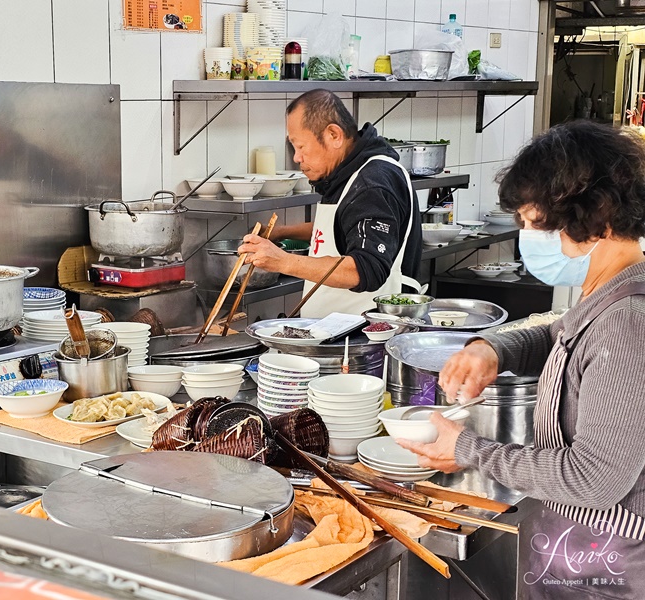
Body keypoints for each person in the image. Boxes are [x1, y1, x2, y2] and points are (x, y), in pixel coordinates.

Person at [397, 120, 645, 599]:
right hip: (576, 551)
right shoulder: (611, 293)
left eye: (535, 222)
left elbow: (595, 479)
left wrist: (468, 450)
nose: (528, 236)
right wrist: (493, 349)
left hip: (604, 568)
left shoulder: (629, 323)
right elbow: (559, 336)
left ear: (591, 215)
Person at [237, 89, 422, 318]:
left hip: (367, 339)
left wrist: (283, 261)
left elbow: (365, 270)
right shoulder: (348, 172)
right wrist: (280, 233)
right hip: (335, 334)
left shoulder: (373, 182)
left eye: (301, 146)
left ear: (334, 135)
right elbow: (341, 229)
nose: (296, 157)